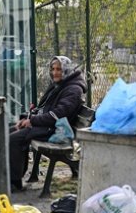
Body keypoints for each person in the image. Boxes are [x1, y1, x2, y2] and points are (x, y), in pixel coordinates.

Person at [9, 56, 86, 192]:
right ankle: (11, 176)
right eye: (53, 69)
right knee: (10, 131)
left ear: (66, 70)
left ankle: (15, 182)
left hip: (56, 130)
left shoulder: (73, 89)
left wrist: (32, 121)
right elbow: (45, 109)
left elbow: (58, 115)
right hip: (48, 125)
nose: (55, 72)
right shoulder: (61, 84)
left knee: (13, 139)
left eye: (59, 69)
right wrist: (27, 118)